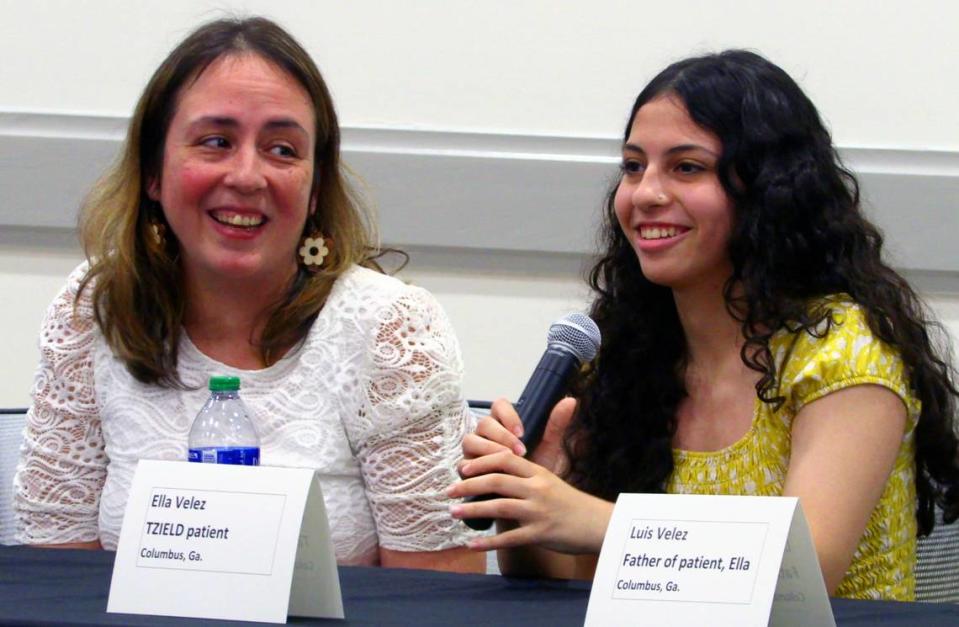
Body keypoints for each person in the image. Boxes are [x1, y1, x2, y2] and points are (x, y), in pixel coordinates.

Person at [449, 50, 959, 598]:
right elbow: (584, 580)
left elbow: (802, 574)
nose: (646, 194)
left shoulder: (843, 351)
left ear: (769, 190)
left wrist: (593, 520)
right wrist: (529, 498)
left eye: (686, 167)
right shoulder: (628, 348)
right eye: (633, 166)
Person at [13, 16, 484, 574]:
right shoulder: (94, 309)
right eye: (215, 142)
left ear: (314, 189)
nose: (247, 175)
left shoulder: (390, 329)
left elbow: (432, 597)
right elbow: (56, 582)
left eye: (282, 150)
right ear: (153, 174)